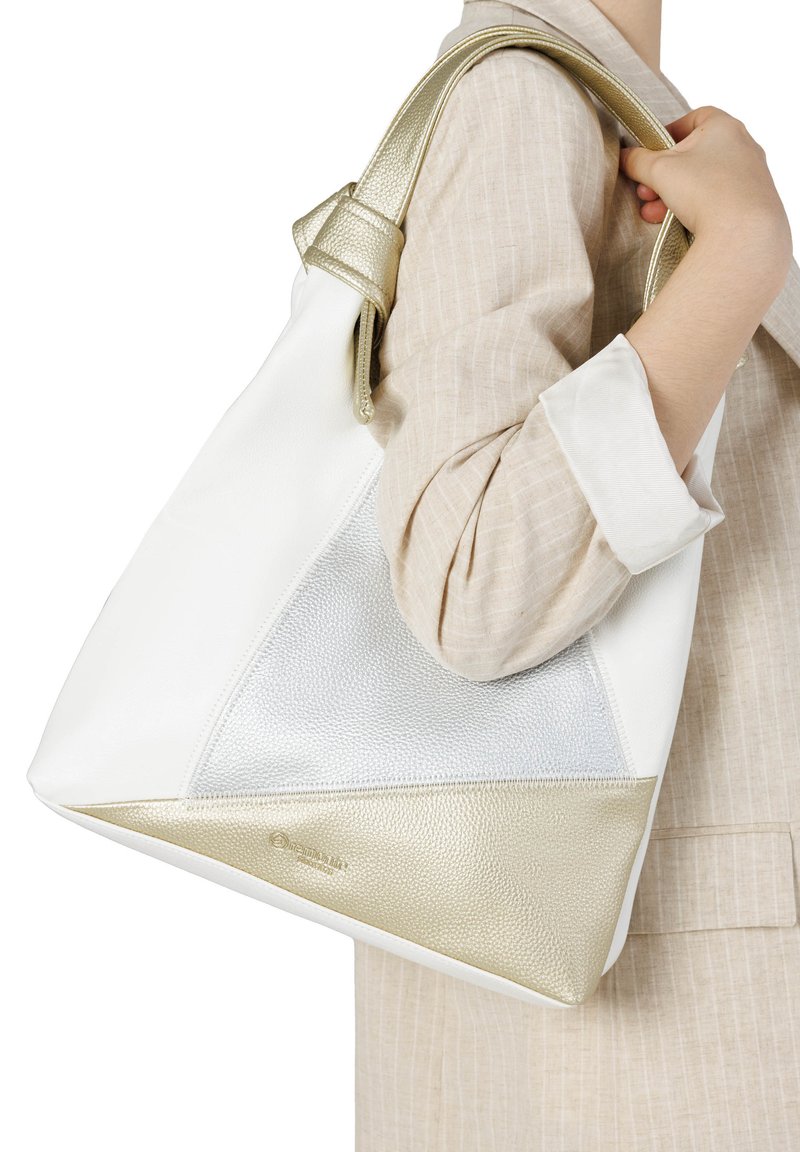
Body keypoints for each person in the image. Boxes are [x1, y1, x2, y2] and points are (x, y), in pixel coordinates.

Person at [354, 0, 800, 1147]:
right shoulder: (519, 99)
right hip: (653, 1041)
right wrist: (737, 260)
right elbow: (473, 580)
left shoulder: (601, 101)